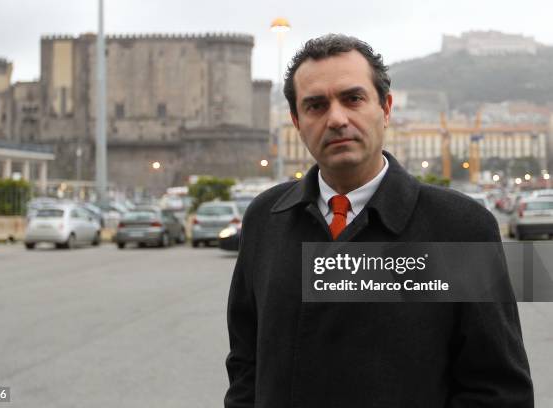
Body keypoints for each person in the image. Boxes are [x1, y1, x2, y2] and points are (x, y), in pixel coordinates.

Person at [224, 34, 533, 407]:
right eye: (316, 106)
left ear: (385, 108)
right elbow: (245, 364)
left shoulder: (460, 228)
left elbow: (497, 388)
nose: (337, 119)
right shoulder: (265, 219)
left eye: (353, 99)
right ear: (296, 121)